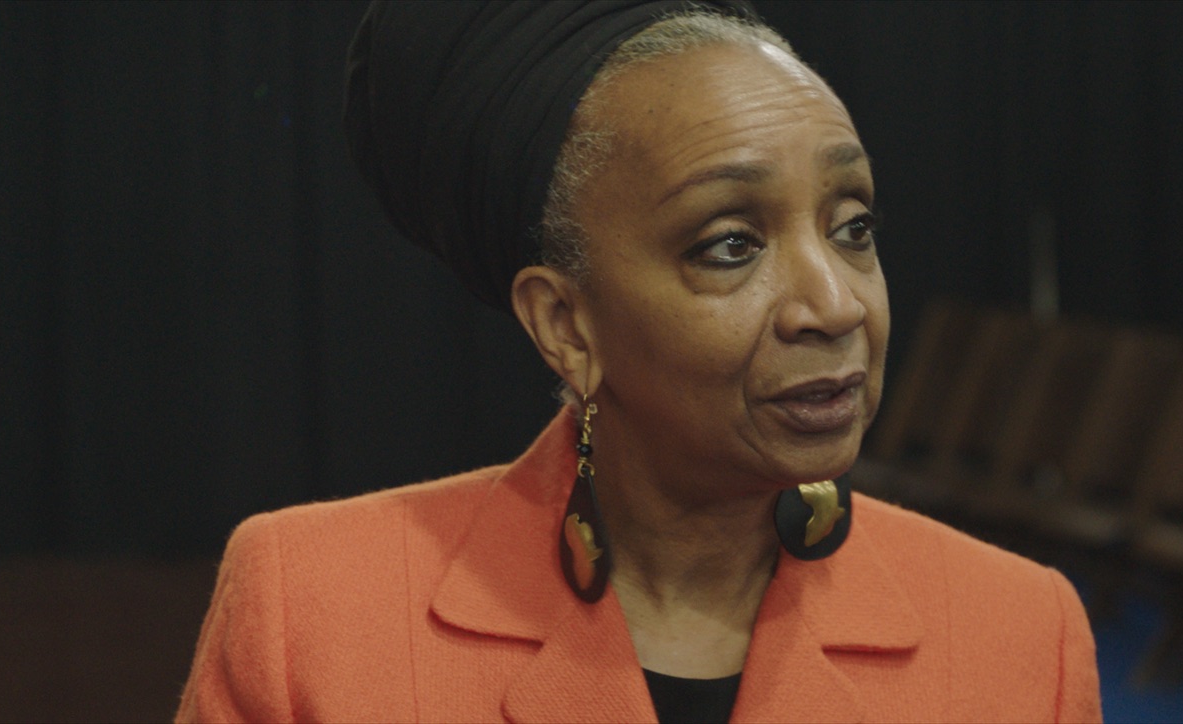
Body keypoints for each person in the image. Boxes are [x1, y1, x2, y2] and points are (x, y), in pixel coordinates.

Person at [178, 2, 1101, 721]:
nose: (835, 305)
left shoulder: (1021, 633)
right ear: (566, 326)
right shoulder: (311, 616)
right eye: (731, 245)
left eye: (852, 227)